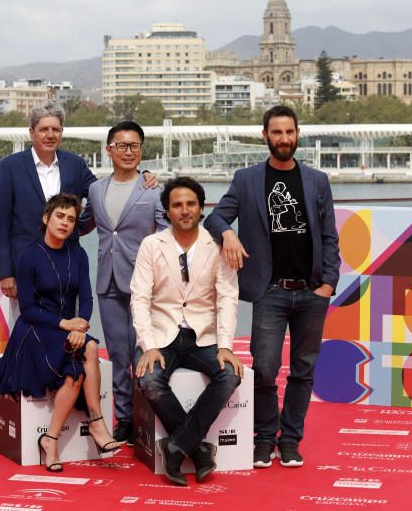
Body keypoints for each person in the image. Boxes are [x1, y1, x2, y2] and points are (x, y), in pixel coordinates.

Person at [204, 105, 340, 468]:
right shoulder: (247, 179)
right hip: (270, 291)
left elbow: (329, 236)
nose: (283, 139)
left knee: (303, 370)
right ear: (264, 135)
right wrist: (228, 232)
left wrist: (328, 282)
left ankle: (291, 439)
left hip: (312, 292)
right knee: (264, 368)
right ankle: (265, 438)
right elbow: (214, 216)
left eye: (289, 132)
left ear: (298, 135)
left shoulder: (317, 181)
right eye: (276, 133)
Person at [0, 193, 119, 472]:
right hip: (35, 329)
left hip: (68, 328)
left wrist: (81, 324)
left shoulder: (78, 255)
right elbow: (27, 309)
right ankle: (96, 424)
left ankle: (50, 440)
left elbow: (86, 299)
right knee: (89, 349)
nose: (65, 223)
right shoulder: (28, 258)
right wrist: (67, 325)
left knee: (79, 361)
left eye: (71, 219)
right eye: (60, 216)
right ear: (46, 218)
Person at [131, 176, 243, 486]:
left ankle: (176, 446)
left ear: (201, 207)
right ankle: (199, 448)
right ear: (166, 210)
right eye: (177, 205)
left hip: (203, 336)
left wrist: (225, 346)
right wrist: (149, 346)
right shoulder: (151, 245)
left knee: (230, 375)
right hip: (161, 332)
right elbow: (139, 298)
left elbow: (228, 298)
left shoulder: (217, 245)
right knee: (150, 379)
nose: (184, 210)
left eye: (190, 204)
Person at [83, 121, 167, 445]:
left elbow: (165, 234)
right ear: (109, 150)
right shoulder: (95, 189)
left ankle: (148, 417)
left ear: (141, 150)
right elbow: (84, 225)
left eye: (134, 146)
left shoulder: (153, 188)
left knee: (142, 353)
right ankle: (124, 419)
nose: (128, 151)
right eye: (121, 146)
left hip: (145, 285)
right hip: (108, 281)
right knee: (118, 354)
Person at [0, 102, 96, 300]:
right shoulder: (10, 167)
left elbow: (99, 192)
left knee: (67, 327)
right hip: (25, 267)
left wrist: (81, 226)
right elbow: (1, 224)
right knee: (26, 328)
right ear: (32, 133)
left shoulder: (75, 164)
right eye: (44, 129)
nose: (50, 135)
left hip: (67, 265)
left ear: (62, 132)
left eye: (56, 129)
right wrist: (5, 273)